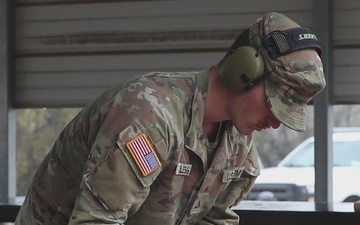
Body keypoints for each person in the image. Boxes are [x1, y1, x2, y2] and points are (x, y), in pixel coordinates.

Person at [15, 12, 326, 225]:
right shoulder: (150, 114)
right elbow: (96, 220)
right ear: (244, 69)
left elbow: (214, 219)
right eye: (274, 102)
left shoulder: (237, 147)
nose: (275, 121)